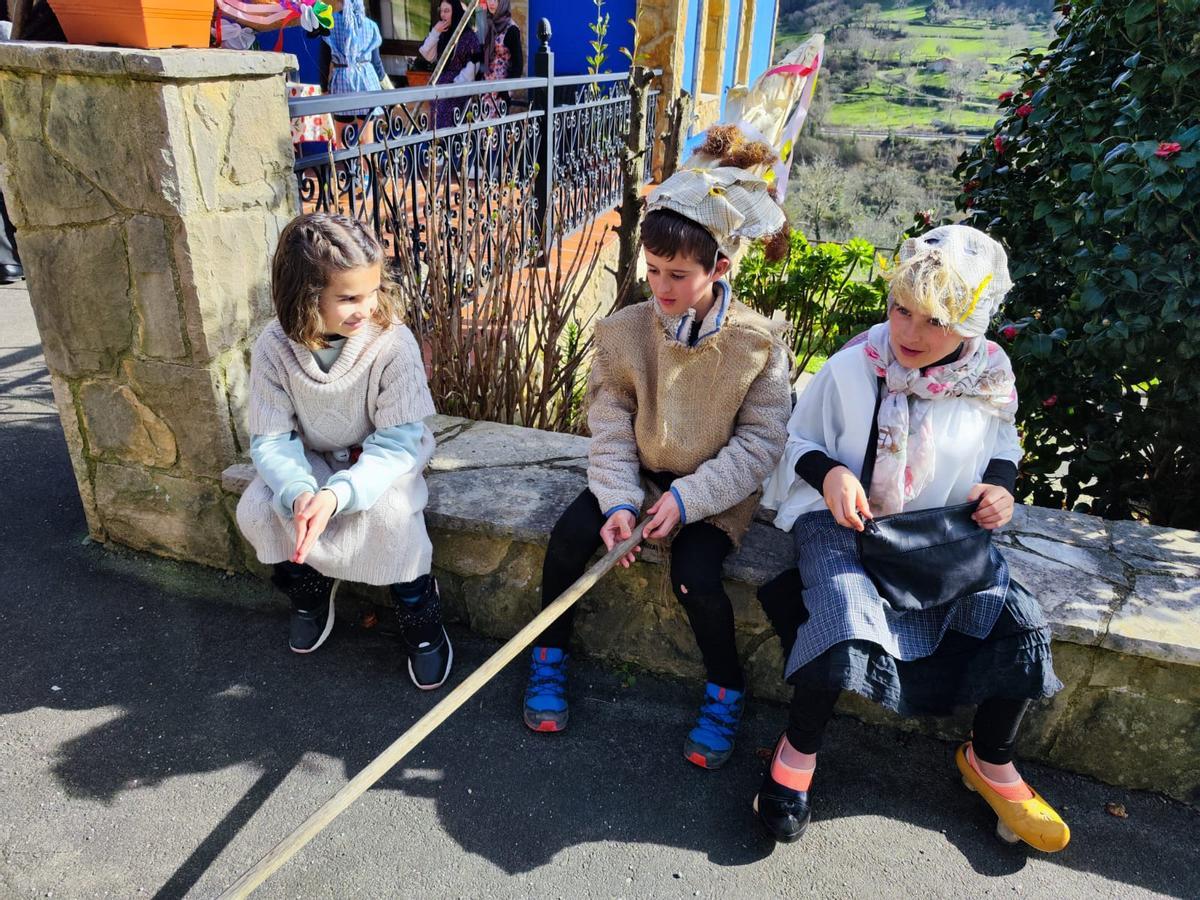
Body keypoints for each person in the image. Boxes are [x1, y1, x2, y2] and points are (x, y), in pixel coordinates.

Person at [753, 224, 1069, 851]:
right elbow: (793, 438)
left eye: (935, 321)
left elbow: (1003, 443)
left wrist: (998, 490)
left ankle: (990, 759)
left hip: (940, 532)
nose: (909, 333)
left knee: (1018, 620)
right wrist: (831, 472)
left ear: (971, 325)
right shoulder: (854, 365)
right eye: (901, 309)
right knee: (842, 615)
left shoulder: (988, 377)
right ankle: (796, 753)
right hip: (845, 521)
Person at [521, 166, 793, 770]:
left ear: (719, 268)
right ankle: (548, 655)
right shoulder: (624, 331)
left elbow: (760, 443)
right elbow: (611, 416)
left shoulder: (759, 346)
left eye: (678, 275)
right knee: (568, 541)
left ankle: (725, 688)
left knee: (696, 575)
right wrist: (620, 501)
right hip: (638, 470)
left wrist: (689, 501)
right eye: (652, 270)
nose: (661, 287)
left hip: (713, 489)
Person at [235, 213, 452, 690]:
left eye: (372, 292)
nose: (367, 308)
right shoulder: (274, 346)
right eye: (349, 298)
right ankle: (307, 586)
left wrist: (339, 494)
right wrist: (298, 491)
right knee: (258, 505)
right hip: (311, 454)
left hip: (380, 455)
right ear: (305, 296)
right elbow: (271, 439)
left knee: (395, 514)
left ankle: (417, 605)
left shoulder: (392, 343)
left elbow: (398, 441)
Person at [417, 0, 482, 129]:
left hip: (457, 90)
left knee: (453, 132)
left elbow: (474, 65)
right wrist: (435, 32)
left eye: (447, 11)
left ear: (455, 12)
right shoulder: (441, 33)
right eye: (441, 11)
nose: (443, 15)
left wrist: (453, 87)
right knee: (437, 131)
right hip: (439, 90)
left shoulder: (469, 36)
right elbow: (426, 54)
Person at [479, 0, 522, 117]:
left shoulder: (511, 29)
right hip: (484, 88)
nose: (491, 3)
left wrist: (506, 91)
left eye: (495, 0)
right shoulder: (487, 24)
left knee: (496, 132)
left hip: (500, 92)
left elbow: (518, 65)